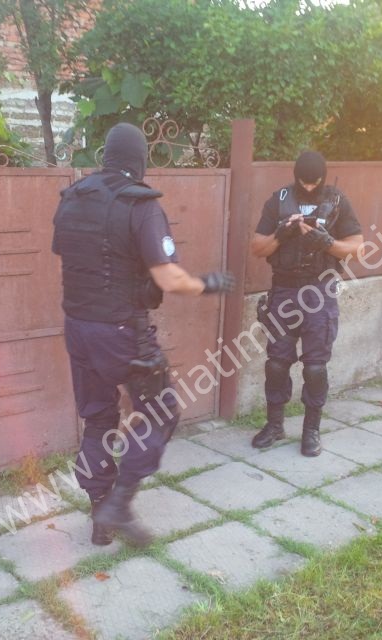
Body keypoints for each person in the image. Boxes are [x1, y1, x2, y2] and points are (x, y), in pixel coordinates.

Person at [52, 123, 234, 547]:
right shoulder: (141, 204)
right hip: (121, 332)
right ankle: (118, 503)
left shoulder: (72, 198)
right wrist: (207, 284)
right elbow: (169, 278)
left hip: (77, 328)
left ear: (107, 156)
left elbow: (70, 259)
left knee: (99, 418)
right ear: (139, 160)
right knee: (160, 412)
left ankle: (101, 517)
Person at [250, 150, 363, 456]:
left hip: (319, 292)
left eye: (315, 182)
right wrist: (281, 234)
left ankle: (311, 430)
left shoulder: (337, 200)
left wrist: (327, 242)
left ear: (323, 177)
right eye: (304, 182)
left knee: (315, 367)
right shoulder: (279, 200)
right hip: (284, 291)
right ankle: (274, 425)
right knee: (276, 364)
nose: (310, 187)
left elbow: (358, 248)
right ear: (295, 176)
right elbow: (258, 247)